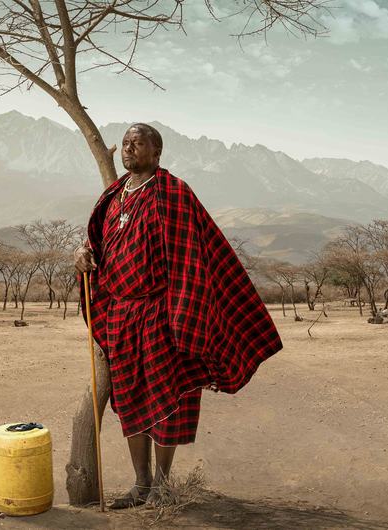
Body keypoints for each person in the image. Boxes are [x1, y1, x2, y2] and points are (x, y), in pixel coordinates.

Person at [74, 123, 282, 509]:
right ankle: (141, 484)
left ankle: (163, 486)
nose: (129, 149)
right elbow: (96, 242)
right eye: (125, 144)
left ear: (156, 152)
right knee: (129, 399)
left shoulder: (172, 193)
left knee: (167, 399)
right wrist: (82, 254)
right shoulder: (114, 195)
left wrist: (181, 317)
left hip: (159, 313)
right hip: (121, 313)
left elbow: (192, 260)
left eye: (138, 143)